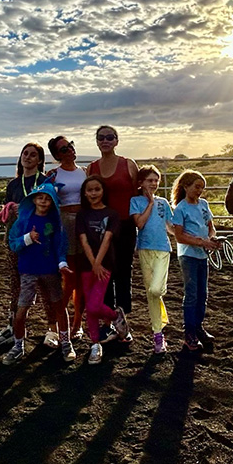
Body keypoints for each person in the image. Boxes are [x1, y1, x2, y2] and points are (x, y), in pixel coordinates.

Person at [4, 182, 76, 364]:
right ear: (33, 199)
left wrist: (61, 263)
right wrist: (28, 238)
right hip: (28, 271)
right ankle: (18, 345)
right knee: (21, 311)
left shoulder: (55, 223)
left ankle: (66, 342)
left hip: (50, 270)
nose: (43, 201)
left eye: (48, 199)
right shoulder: (23, 222)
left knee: (59, 308)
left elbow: (60, 245)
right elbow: (13, 243)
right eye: (40, 197)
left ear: (53, 202)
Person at [0, 142, 48, 346]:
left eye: (33, 155)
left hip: (39, 241)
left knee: (45, 285)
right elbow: (5, 217)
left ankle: (54, 330)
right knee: (16, 284)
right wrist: (8, 211)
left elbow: (50, 211)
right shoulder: (13, 184)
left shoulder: (45, 182)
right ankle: (13, 326)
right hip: (16, 241)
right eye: (25, 153)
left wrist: (23, 208)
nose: (28, 157)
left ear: (40, 160)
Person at [87, 125, 139, 339]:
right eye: (101, 137)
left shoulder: (128, 164)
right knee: (104, 273)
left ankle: (123, 318)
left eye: (110, 137)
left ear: (117, 141)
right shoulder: (92, 168)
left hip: (125, 226)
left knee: (123, 271)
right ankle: (108, 320)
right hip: (101, 226)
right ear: (97, 142)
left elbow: (139, 193)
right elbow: (88, 196)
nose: (105, 140)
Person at [76, 175, 130, 365]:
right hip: (86, 265)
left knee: (93, 305)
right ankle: (95, 343)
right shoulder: (82, 214)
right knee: (91, 308)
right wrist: (93, 263)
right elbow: (83, 240)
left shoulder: (112, 214)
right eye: (89, 190)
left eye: (97, 189)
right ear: (84, 192)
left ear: (103, 191)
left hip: (105, 265)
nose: (93, 193)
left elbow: (107, 239)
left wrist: (98, 264)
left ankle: (116, 317)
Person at [171, 169, 222, 352]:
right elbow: (179, 236)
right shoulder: (180, 209)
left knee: (203, 293)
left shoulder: (204, 205)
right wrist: (203, 242)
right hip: (188, 256)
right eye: (197, 187)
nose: (199, 191)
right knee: (192, 293)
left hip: (201, 255)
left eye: (202, 188)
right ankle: (189, 333)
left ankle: (198, 327)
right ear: (186, 187)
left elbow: (211, 227)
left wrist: (212, 238)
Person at [46, 135, 87, 345]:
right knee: (69, 278)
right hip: (65, 224)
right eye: (63, 149)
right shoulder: (53, 174)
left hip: (84, 224)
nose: (69, 150)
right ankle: (58, 322)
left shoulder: (85, 172)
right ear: (56, 156)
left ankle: (77, 323)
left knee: (82, 278)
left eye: (70, 145)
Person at [130, 164, 174, 353]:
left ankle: (160, 325)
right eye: (150, 180)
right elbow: (139, 224)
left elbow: (171, 227)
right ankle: (158, 335)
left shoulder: (163, 202)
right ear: (140, 183)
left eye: (156, 180)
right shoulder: (136, 201)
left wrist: (197, 239)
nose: (154, 183)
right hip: (144, 250)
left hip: (163, 249)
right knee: (151, 294)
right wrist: (149, 204)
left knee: (156, 289)